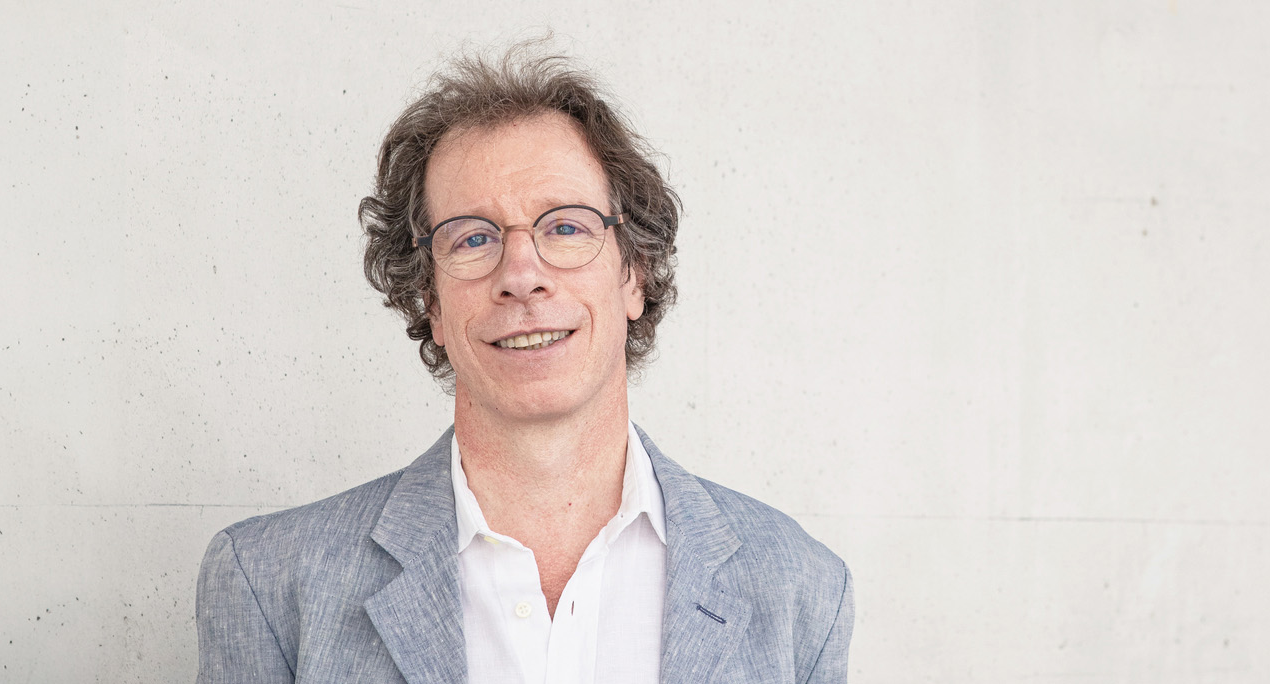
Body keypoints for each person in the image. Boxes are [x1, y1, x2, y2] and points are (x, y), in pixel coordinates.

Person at [195, 46, 853, 684]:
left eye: (565, 227)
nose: (521, 275)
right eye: (473, 237)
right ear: (429, 300)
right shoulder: (273, 583)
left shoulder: (799, 589)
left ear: (633, 274)